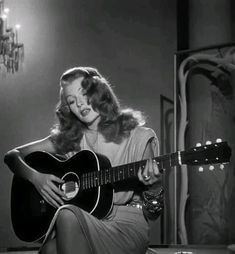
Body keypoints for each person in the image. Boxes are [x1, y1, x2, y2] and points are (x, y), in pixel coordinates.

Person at [4, 66, 163, 254]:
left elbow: (154, 214)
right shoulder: (70, 139)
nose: (80, 105)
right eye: (72, 101)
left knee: (67, 214)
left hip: (124, 225)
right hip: (84, 220)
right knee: (48, 250)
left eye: (85, 93)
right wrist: (37, 178)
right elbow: (12, 156)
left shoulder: (139, 136)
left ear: (99, 92)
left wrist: (154, 187)